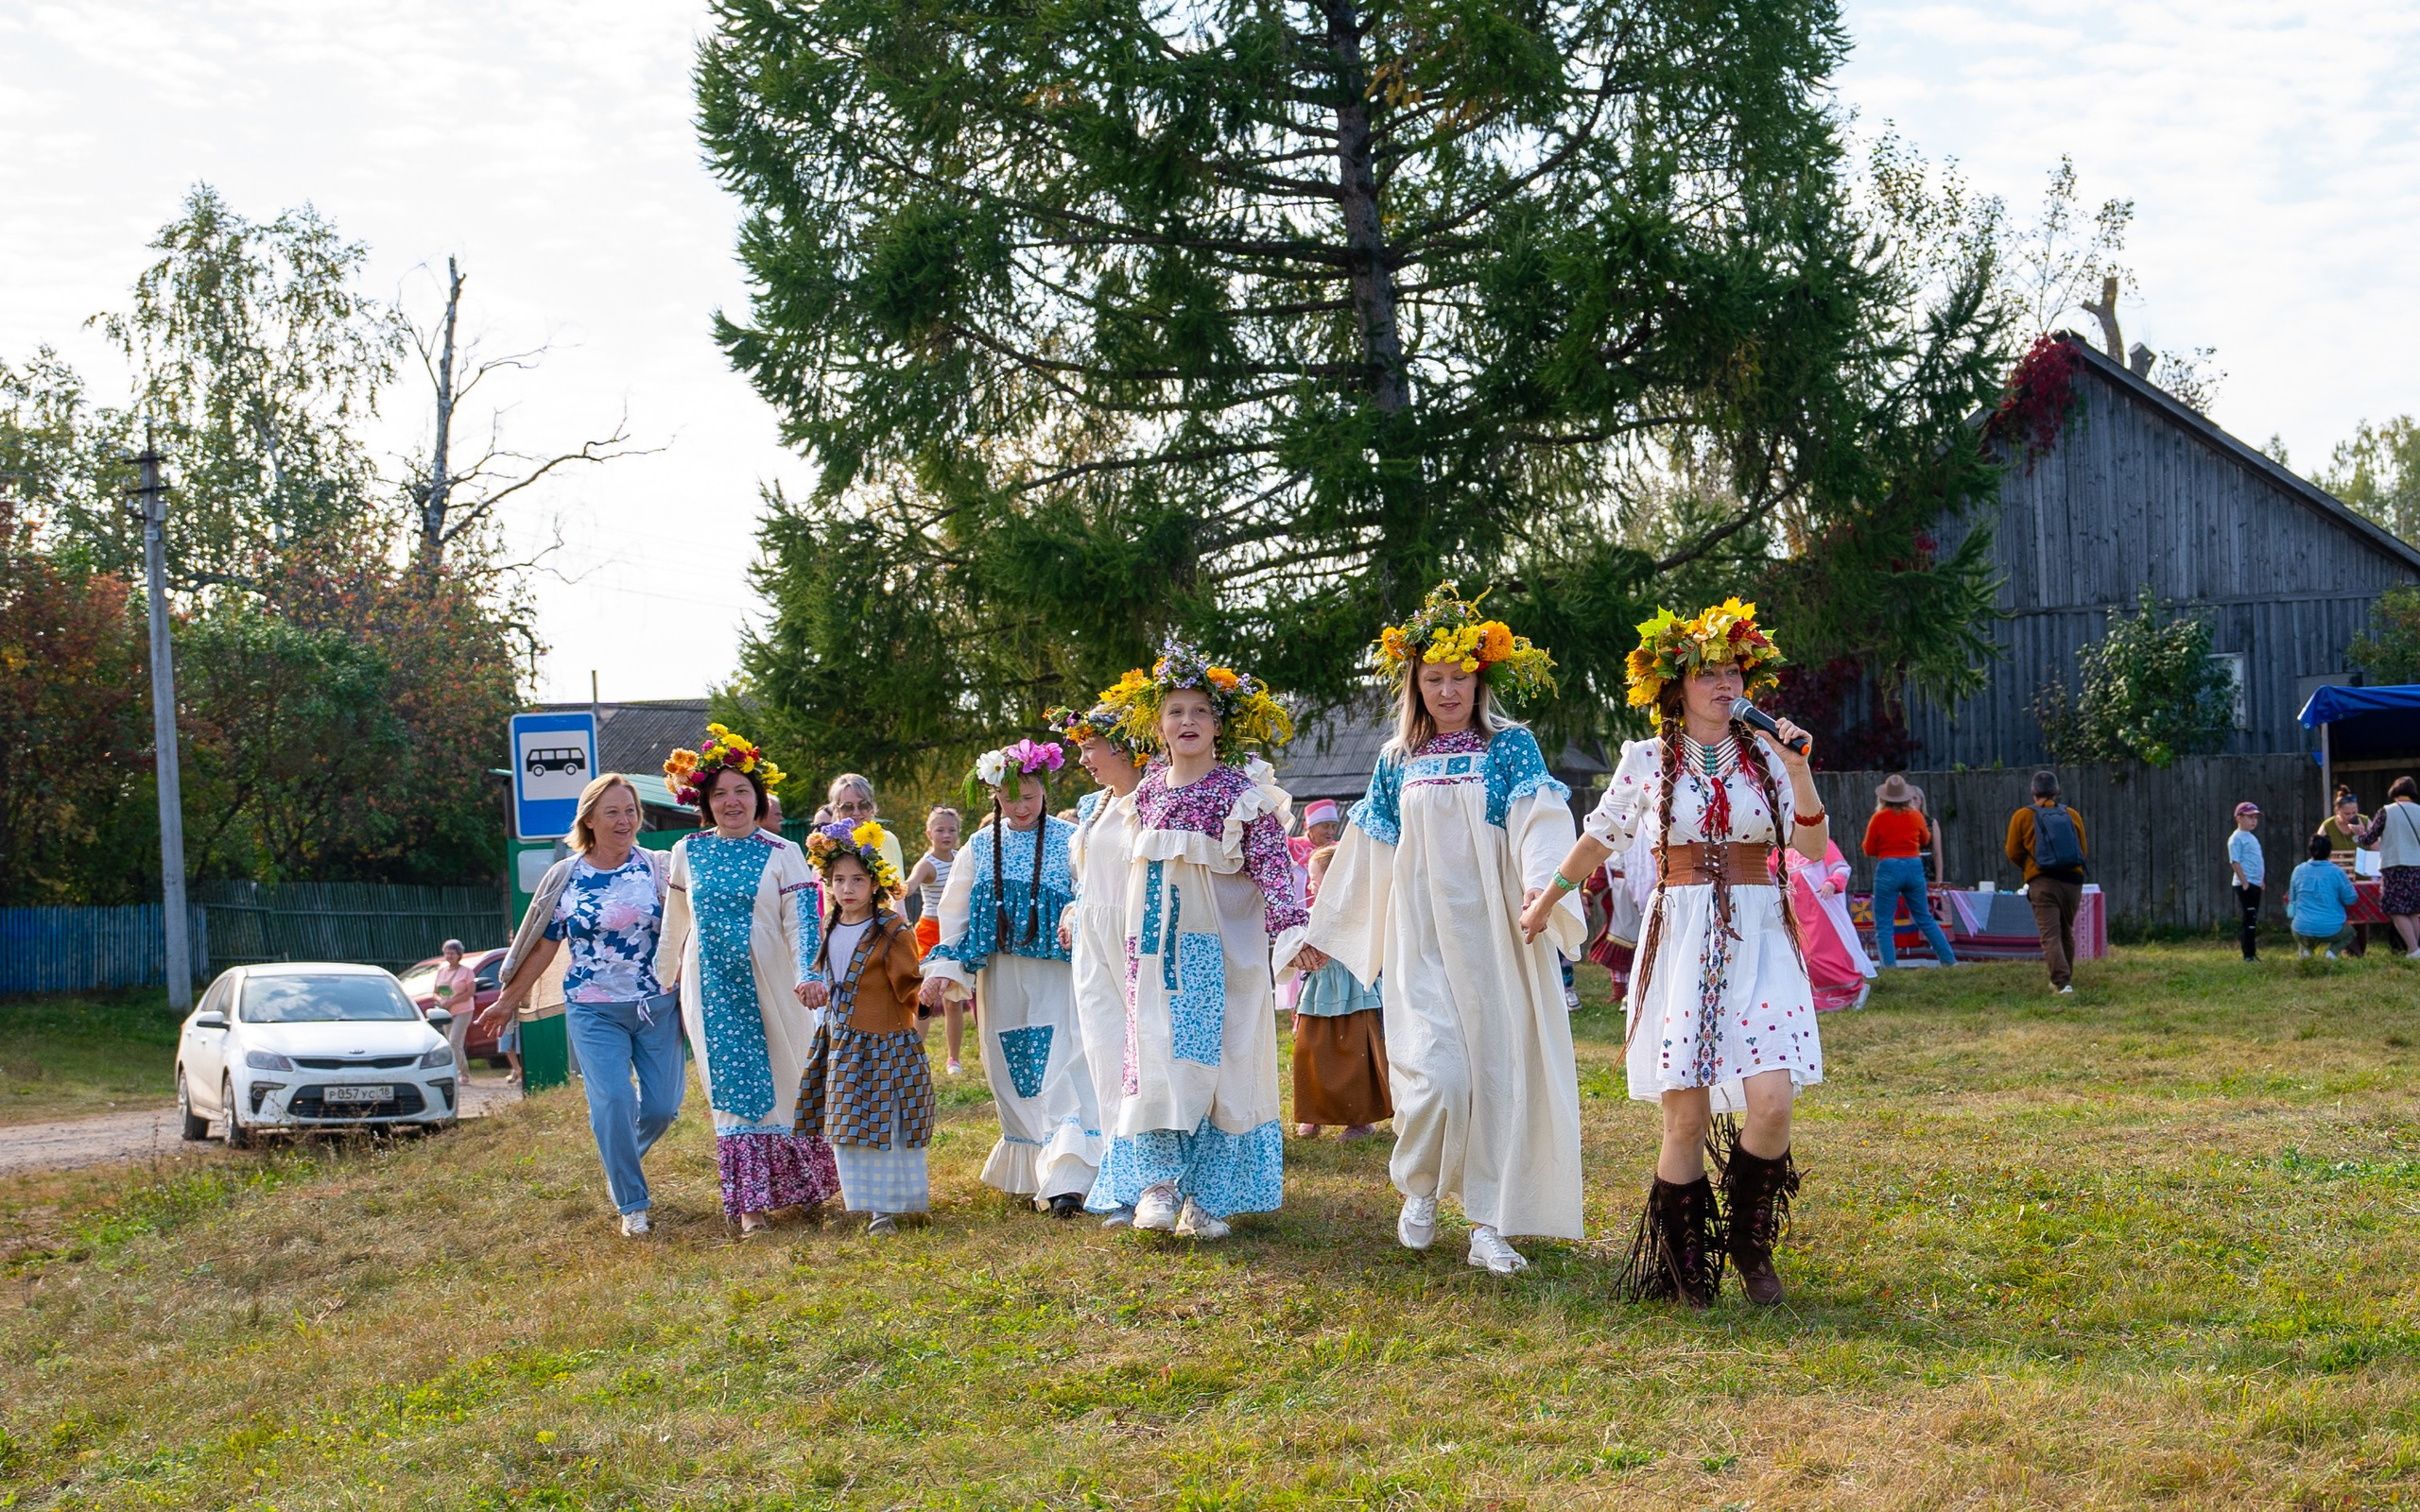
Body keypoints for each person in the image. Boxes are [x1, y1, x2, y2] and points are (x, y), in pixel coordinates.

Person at [1525, 598, 1823, 1308]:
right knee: (1684, 1117)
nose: (1726, 685)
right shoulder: (1646, 759)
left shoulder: (1769, 756)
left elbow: (1810, 846)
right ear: (1676, 686)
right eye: (1708, 674)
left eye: (1733, 673)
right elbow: (1600, 837)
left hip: (1759, 931)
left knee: (1772, 1103)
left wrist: (1799, 770)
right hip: (1683, 934)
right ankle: (1686, 1260)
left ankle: (1749, 1241)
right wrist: (1545, 901)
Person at [1310, 586, 1583, 1276]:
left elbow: (1538, 818)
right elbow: (1369, 848)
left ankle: (1489, 1224)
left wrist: (1542, 886)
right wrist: (1325, 930)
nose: (1448, 691)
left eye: (1460, 677)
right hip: (1423, 937)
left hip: (1496, 937)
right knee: (1436, 1077)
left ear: (1480, 679)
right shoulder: (1395, 759)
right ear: (1415, 685)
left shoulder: (1510, 746)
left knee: (1496, 1077)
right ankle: (1421, 1185)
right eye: (1433, 679)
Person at [1091, 639, 1308, 1239]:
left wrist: (1292, 930)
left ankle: (1209, 1196)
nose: (1187, 721)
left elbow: (1271, 867)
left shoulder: (1240, 793)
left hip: (1220, 952)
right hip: (1153, 951)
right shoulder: (1147, 794)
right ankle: (1157, 1186)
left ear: (1219, 724)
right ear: (1157, 725)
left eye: (1200, 712)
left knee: (1221, 1064)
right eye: (1175, 711)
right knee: (1156, 1057)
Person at [658, 725, 838, 1236]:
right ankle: (750, 1206)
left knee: (787, 1080)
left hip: (775, 984)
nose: (731, 801)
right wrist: (662, 977)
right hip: (710, 987)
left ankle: (804, 1188)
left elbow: (802, 923)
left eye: (741, 791)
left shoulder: (783, 852)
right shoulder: (686, 851)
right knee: (733, 1091)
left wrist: (808, 973)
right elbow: (675, 922)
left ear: (758, 798)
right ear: (705, 802)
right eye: (720, 793)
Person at [486, 775, 679, 1237]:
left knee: (662, 1107)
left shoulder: (657, 868)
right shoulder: (566, 876)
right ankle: (632, 1203)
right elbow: (544, 945)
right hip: (593, 1007)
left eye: (630, 811)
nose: (624, 820)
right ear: (589, 820)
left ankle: (619, 1161)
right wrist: (507, 1001)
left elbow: (685, 929)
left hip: (656, 1005)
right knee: (614, 1101)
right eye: (612, 812)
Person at [919, 739, 1099, 1215]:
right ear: (994, 794)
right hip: (1000, 978)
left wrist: (1075, 918)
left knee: (1062, 1062)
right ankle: (1034, 1166)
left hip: (1057, 974)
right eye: (1010, 798)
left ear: (1046, 792)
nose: (1021, 808)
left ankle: (1068, 1178)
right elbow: (954, 914)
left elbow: (1092, 894)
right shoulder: (980, 845)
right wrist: (942, 970)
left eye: (1031, 797)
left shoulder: (1071, 839)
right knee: (1012, 1070)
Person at [796, 821, 932, 1235]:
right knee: (848, 1124)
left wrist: (927, 1000)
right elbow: (825, 975)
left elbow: (910, 986)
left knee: (885, 1123)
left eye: (857, 879)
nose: (847, 888)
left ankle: (887, 1209)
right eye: (839, 879)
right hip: (842, 1041)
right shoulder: (829, 926)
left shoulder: (891, 930)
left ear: (875, 884)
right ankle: (865, 1201)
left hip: (884, 1043)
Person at [1047, 701, 1154, 1228]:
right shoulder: (1094, 804)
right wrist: (1075, 909)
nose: (1083, 759)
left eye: (1090, 748)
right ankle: (1123, 1185)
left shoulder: (1156, 796)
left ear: (1123, 746)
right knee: (1106, 1056)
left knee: (1146, 1056)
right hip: (1091, 943)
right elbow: (1090, 877)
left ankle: (1160, 1181)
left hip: (1138, 937)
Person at [1291, 843, 1390, 1142]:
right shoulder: (1308, 915)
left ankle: (1359, 1119)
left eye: (1315, 880)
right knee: (1311, 1052)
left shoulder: (1359, 914)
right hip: (1319, 993)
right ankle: (1313, 1112)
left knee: (1355, 1055)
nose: (1310, 885)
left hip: (1355, 992)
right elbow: (1293, 946)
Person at [2005, 771, 2088, 994]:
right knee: (2065, 930)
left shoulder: (2023, 816)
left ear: (2033, 792)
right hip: (2073, 881)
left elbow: (2012, 851)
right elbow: (2082, 850)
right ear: (2056, 791)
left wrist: (2030, 867)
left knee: (2050, 934)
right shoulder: (2071, 814)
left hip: (2043, 881)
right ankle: (2066, 978)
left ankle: (2061, 983)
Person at [1861, 774, 1956, 969]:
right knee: (1924, 917)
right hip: (1913, 867)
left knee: (1884, 923)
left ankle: (1890, 967)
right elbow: (1925, 839)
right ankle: (1949, 960)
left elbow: (1868, 849)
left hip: (1888, 868)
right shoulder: (1916, 816)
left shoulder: (1878, 818)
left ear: (1884, 798)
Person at [901, 807, 969, 1071]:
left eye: (952, 830)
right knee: (924, 996)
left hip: (954, 933)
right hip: (930, 932)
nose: (946, 835)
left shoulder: (961, 858)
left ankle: (954, 1058)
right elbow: (911, 884)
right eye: (940, 830)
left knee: (954, 999)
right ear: (929, 833)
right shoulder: (927, 863)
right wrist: (898, 889)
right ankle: (915, 1056)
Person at [1774, 837, 1874, 1012]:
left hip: (1823, 910)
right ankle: (1814, 997)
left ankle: (1853, 990)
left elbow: (1841, 868)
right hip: (1797, 914)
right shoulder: (1779, 852)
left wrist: (1832, 883)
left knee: (1831, 952)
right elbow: (1768, 877)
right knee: (1806, 955)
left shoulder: (1820, 842)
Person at [2359, 777, 2420, 957]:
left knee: (2395, 909)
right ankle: (2415, 949)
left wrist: (2359, 832)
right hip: (2417, 866)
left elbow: (2368, 839)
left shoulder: (2386, 812)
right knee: (2412, 910)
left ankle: (2413, 949)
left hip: (2394, 865)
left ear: (2394, 791)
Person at [2289, 830, 2360, 958]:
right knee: (2350, 933)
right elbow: (2350, 899)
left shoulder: (2298, 870)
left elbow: (2292, 898)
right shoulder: (2337, 872)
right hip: (2332, 928)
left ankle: (2306, 951)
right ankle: (2331, 953)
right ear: (2329, 851)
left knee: (2304, 933)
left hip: (2301, 927)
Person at [2319, 788, 2374, 955]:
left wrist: (2362, 833)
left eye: (2354, 812)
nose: (2351, 816)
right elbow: (2317, 850)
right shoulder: (2328, 825)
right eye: (2347, 813)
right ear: (2337, 811)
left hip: (2361, 876)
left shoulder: (2364, 821)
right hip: (2339, 877)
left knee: (2362, 914)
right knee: (2343, 913)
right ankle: (2349, 949)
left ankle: (2359, 950)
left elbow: (2377, 848)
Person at [827, 773, 908, 886]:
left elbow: (895, 887)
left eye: (863, 805)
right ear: (837, 810)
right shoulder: (831, 844)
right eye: (847, 806)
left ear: (872, 807)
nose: (856, 812)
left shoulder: (885, 839)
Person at [430, 939, 477, 1081]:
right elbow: (435, 993)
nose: (449, 956)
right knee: (451, 1044)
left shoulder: (467, 971)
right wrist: (441, 1001)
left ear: (459, 955)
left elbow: (470, 992)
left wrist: (451, 1001)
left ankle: (459, 1073)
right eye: (447, 953)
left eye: (452, 953)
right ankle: (461, 1072)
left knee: (454, 1041)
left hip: (463, 1010)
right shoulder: (442, 971)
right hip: (446, 1012)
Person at [2227, 801, 2265, 961]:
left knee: (2253, 918)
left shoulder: (2251, 837)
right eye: (2250, 817)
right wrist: (2244, 882)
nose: (2253, 821)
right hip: (2246, 884)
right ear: (2239, 818)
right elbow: (2235, 861)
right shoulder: (2236, 838)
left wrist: (2261, 880)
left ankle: (2252, 952)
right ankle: (2248, 954)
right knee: (2248, 918)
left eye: (2255, 818)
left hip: (2255, 883)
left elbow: (2256, 860)